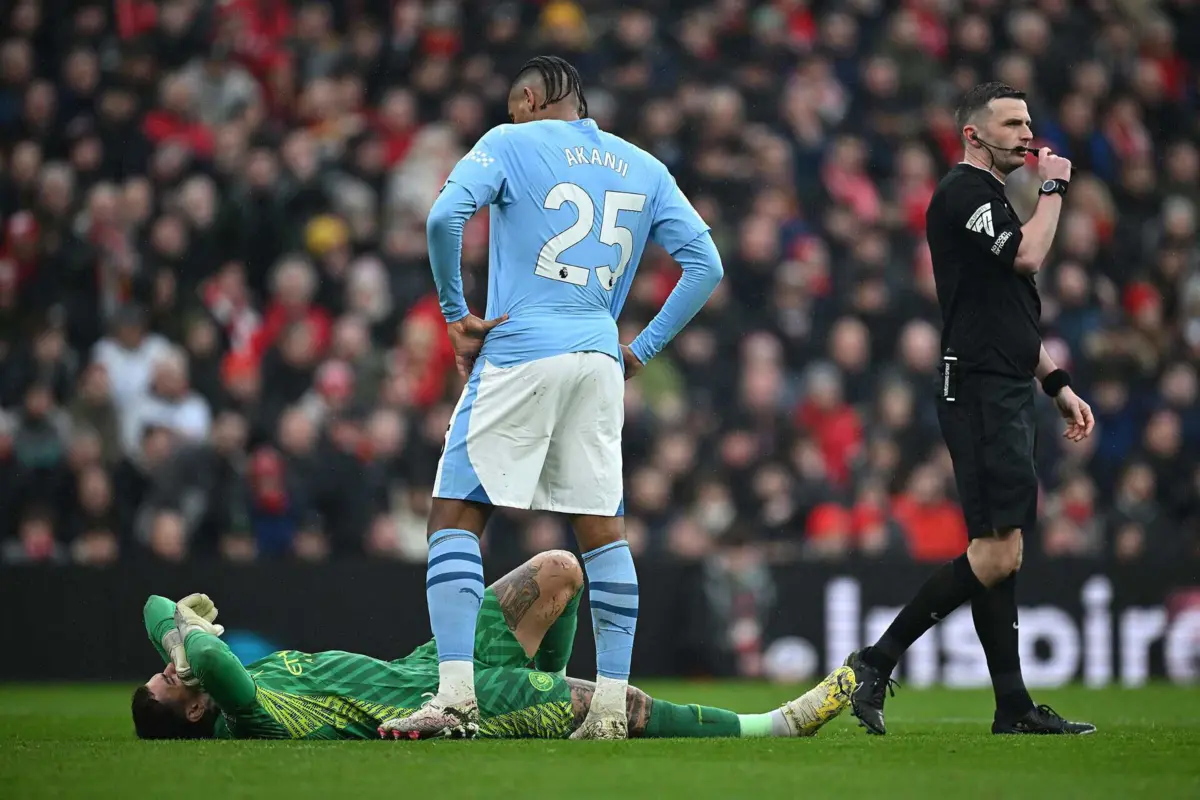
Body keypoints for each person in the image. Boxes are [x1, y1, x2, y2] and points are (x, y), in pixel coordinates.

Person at [408, 55, 724, 740]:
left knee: (455, 515)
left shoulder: (507, 142)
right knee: (602, 532)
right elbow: (707, 265)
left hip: (521, 350)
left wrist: (457, 313)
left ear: (526, 98)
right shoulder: (643, 165)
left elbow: (443, 219)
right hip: (595, 357)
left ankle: (455, 701)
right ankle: (610, 709)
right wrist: (640, 349)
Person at [844, 82, 1097, 736]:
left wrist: (1057, 383)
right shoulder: (963, 193)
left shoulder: (989, 200)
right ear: (974, 135)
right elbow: (1030, 256)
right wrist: (1054, 189)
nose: (1026, 132)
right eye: (1012, 122)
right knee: (994, 554)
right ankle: (875, 660)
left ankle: (1011, 706)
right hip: (979, 388)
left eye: (1029, 121)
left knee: (1000, 550)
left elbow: (1006, 316)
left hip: (1004, 382)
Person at [132, 551, 855, 741]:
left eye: (165, 668)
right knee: (619, 704)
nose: (174, 668)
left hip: (428, 664)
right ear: (195, 712)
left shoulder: (203, 672)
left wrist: (176, 632)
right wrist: (194, 644)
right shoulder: (243, 713)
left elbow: (153, 603)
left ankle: (547, 705)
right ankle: (778, 722)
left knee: (560, 573)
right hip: (436, 704)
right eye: (172, 682)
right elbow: (218, 661)